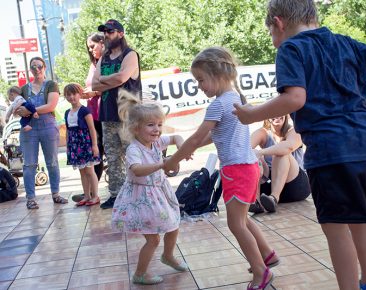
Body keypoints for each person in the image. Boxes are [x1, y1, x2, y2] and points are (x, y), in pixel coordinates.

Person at [233, 1, 366, 289]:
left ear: (279, 22)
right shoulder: (346, 43)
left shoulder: (292, 48)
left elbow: (295, 98)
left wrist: (252, 114)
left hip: (331, 151)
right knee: (361, 219)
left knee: (336, 228)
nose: (274, 43)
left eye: (271, 34)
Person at [164, 47, 277, 290]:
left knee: (235, 224)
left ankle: (261, 271)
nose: (199, 86)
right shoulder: (234, 98)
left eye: (201, 80)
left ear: (217, 74)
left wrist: (173, 160)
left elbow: (196, 138)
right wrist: (191, 149)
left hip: (236, 169)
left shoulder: (218, 105)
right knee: (242, 219)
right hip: (247, 167)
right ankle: (266, 254)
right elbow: (215, 135)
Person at [111, 89, 187, 285]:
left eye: (159, 124)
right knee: (153, 240)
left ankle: (168, 255)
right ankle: (140, 274)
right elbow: (137, 170)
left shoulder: (155, 142)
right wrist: (163, 164)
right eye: (151, 125)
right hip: (141, 197)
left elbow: (175, 137)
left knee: (173, 224)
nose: (157, 129)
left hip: (159, 192)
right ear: (136, 128)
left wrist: (181, 144)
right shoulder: (134, 149)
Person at [92, 19, 142, 209]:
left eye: (110, 32)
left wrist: (104, 81)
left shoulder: (130, 55)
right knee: (112, 159)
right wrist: (109, 81)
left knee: (134, 156)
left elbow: (123, 77)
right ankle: (117, 196)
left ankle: (139, 193)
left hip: (128, 115)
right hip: (107, 115)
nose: (107, 35)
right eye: (105, 32)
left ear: (120, 34)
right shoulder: (103, 58)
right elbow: (94, 85)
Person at [17, 57, 68, 210]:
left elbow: (51, 105)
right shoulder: (24, 89)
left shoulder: (51, 85)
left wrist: (29, 110)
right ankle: (31, 198)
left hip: (47, 126)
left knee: (52, 162)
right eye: (33, 67)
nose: (36, 69)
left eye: (39, 66)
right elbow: (19, 108)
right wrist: (22, 111)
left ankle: (56, 194)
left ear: (44, 67)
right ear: (30, 70)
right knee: (29, 164)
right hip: (29, 128)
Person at [249, 115, 311, 214]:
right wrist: (257, 156)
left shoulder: (294, 131)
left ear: (286, 115)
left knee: (281, 153)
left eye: (280, 111)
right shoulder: (263, 132)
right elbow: (246, 149)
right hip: (269, 184)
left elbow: (288, 147)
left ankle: (274, 198)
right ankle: (256, 201)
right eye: (273, 112)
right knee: (253, 153)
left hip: (295, 186)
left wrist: (262, 152)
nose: (277, 115)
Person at [71, 32, 105, 203]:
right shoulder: (94, 64)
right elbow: (92, 85)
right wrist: (83, 92)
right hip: (93, 112)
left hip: (106, 112)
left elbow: (111, 85)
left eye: (93, 46)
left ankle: (94, 192)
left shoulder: (107, 62)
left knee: (101, 152)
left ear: (102, 42)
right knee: (95, 154)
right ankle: (90, 192)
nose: (91, 50)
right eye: (89, 48)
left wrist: (94, 92)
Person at [64, 83, 101, 206]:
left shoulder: (85, 110)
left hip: (85, 144)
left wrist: (94, 145)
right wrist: (68, 147)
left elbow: (91, 129)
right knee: (82, 172)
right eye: (68, 95)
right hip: (75, 145)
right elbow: (69, 130)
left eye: (74, 94)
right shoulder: (66, 112)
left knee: (90, 171)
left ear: (80, 94)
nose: (72, 97)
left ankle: (95, 196)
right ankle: (86, 196)